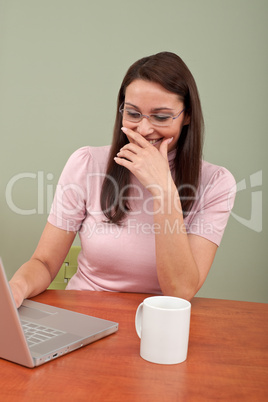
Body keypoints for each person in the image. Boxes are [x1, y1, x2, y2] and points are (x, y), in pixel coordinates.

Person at [10, 51, 236, 308]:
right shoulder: (87, 164)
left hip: (157, 324)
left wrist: (163, 189)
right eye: (133, 113)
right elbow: (45, 263)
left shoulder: (216, 183)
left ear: (187, 116)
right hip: (84, 316)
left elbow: (180, 292)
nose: (144, 129)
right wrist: (15, 289)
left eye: (161, 117)